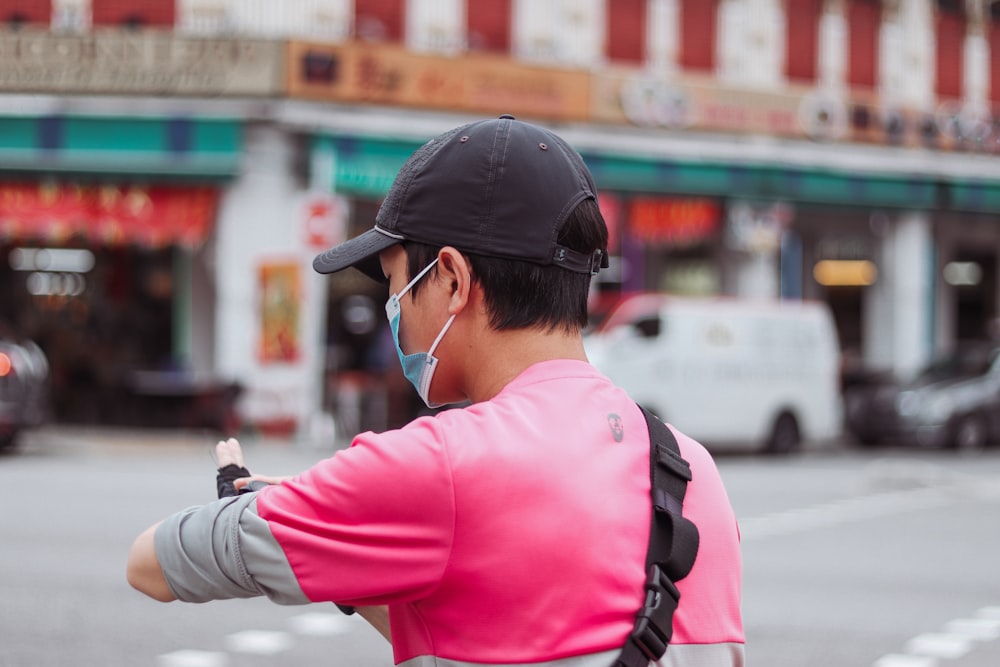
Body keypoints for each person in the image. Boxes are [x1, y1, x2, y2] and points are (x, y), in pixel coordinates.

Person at [127, 115, 745, 666]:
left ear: (450, 279)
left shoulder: (435, 463)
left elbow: (150, 563)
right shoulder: (690, 469)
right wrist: (343, 543)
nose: (392, 308)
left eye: (395, 283)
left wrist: (269, 511)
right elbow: (478, 626)